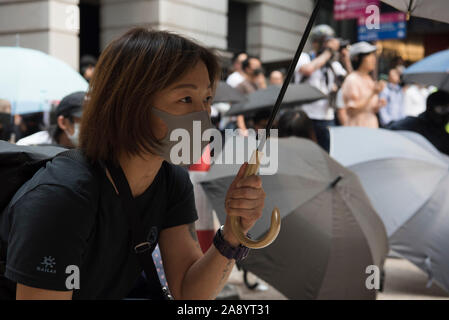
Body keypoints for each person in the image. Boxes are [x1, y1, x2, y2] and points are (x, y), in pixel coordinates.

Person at [0, 28, 266, 300]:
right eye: (185, 99)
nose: (203, 115)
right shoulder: (63, 197)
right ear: (130, 103)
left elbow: (189, 292)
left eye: (207, 99)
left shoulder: (171, 181)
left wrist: (233, 233)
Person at [294, 24, 347, 146]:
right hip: (306, 116)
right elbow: (308, 70)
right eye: (325, 42)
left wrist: (346, 59)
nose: (327, 46)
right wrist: (328, 52)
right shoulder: (304, 57)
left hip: (327, 117)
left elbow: (350, 82)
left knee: (327, 155)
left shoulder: (333, 65)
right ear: (315, 43)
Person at [340, 42, 386, 128]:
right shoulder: (352, 79)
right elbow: (352, 111)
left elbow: (369, 109)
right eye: (369, 56)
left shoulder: (369, 79)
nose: (373, 59)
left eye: (373, 56)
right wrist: (372, 93)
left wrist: (379, 105)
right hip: (358, 129)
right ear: (358, 58)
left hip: (371, 128)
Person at [388, 90, 449, 155]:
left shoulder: (440, 132)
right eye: (443, 109)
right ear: (430, 108)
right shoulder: (413, 125)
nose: (447, 113)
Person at [16, 91, 85, 148]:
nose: (91, 129)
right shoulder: (29, 147)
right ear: (63, 122)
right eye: (84, 122)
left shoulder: (92, 152)